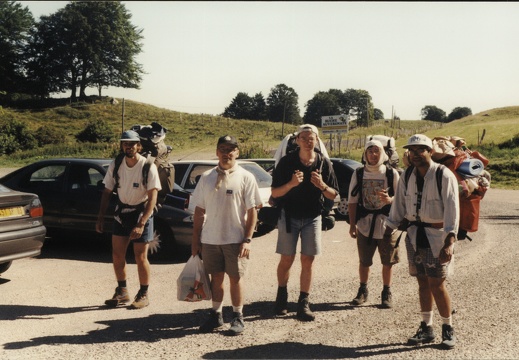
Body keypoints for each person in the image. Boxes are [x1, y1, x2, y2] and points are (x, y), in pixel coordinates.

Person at [384, 134, 460, 350]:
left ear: (430, 151)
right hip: (415, 237)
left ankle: (448, 328)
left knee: (437, 283)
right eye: (412, 150)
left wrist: (449, 242)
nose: (415, 154)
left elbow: (453, 210)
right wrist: (387, 231)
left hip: (438, 238)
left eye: (420, 150)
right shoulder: (407, 175)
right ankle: (426, 327)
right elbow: (398, 205)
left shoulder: (443, 176)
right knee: (422, 283)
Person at [191, 135, 262, 335]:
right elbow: (198, 211)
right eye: (222, 149)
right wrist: (195, 241)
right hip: (210, 239)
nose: (226, 153)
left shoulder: (246, 177)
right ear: (217, 152)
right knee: (216, 278)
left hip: (236, 239)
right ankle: (216, 315)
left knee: (235, 278)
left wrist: (247, 240)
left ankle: (238, 316)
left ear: (237, 153)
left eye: (231, 149)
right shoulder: (206, 178)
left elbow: (252, 211)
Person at [271, 124, 339, 321]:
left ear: (317, 140)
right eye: (304, 138)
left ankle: (303, 302)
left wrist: (322, 185)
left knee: (308, 260)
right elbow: (275, 193)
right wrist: (291, 184)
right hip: (289, 216)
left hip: (313, 217)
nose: (308, 141)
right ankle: (282, 296)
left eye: (312, 138)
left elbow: (333, 194)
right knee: (287, 259)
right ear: (297, 140)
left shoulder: (324, 163)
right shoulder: (286, 162)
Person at [96, 130, 161, 309]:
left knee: (140, 257)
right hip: (121, 214)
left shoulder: (148, 166)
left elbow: (152, 197)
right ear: (122, 145)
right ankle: (122, 291)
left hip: (142, 214)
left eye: (132, 144)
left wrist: (141, 224)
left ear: (138, 146)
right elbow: (107, 191)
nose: (129, 147)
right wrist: (101, 217)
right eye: (125, 143)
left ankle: (144, 293)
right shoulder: (116, 163)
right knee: (117, 255)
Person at [348, 139, 401, 308]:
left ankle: (387, 292)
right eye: (369, 151)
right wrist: (352, 224)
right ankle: (363, 290)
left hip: (388, 225)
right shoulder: (358, 173)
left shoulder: (392, 173)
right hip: (365, 225)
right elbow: (352, 200)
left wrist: (390, 199)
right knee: (364, 261)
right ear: (365, 154)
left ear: (382, 153)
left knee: (388, 262)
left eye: (376, 151)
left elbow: (401, 200)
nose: (373, 155)